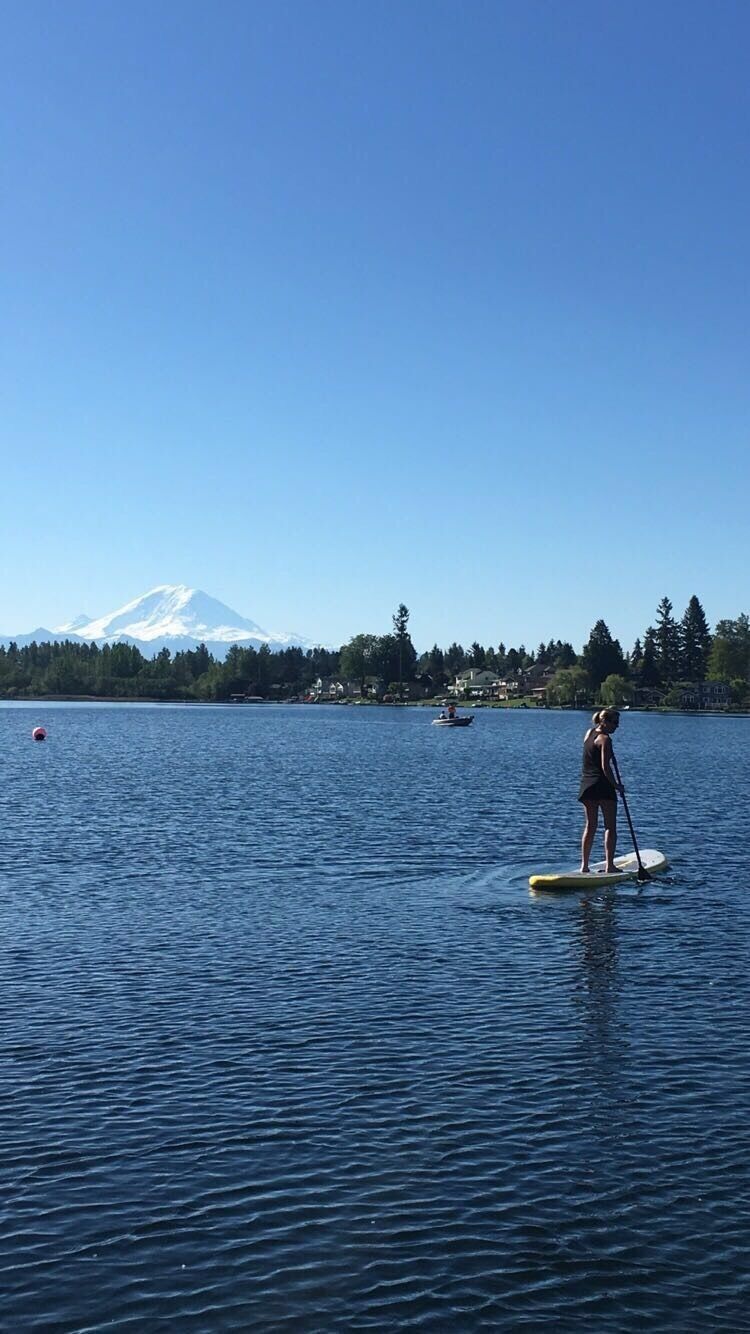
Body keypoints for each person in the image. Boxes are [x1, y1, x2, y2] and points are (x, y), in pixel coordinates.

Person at [578, 708, 623, 873]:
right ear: (604, 722)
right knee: (610, 826)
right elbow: (605, 767)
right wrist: (617, 785)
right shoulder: (605, 740)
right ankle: (610, 866)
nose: (617, 726)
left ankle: (584, 866)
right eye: (615, 723)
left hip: (587, 786)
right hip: (603, 786)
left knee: (590, 826)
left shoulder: (589, 733)